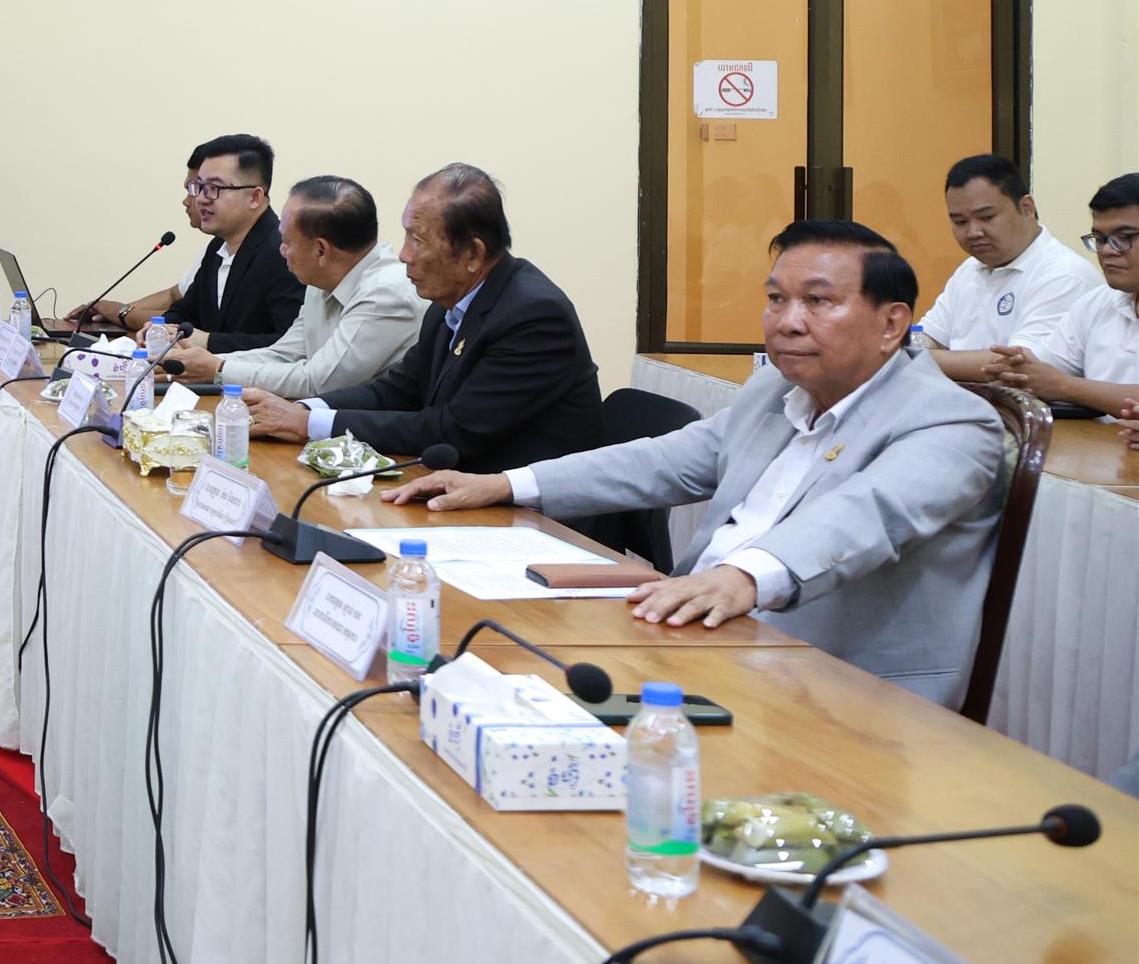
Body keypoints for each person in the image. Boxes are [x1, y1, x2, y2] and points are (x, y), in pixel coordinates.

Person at [388, 219, 1008, 708]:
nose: (788, 322)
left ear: (892, 324)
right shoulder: (775, 390)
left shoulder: (952, 421)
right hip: (699, 640)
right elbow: (669, 459)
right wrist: (506, 484)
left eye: (818, 302)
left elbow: (866, 514)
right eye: (776, 299)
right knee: (473, 673)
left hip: (836, 688)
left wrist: (742, 578)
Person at [241, 163, 604, 473]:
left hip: (533, 517)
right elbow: (394, 391)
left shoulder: (533, 317)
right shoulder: (448, 304)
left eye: (419, 241)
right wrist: (301, 409)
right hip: (457, 489)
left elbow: (452, 429)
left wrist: (309, 424)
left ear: (473, 253)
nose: (403, 255)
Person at [166, 176, 423, 398]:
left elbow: (317, 382)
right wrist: (196, 361)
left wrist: (218, 369)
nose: (281, 250)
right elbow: (286, 353)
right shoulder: (322, 280)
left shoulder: (385, 294)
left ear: (320, 250)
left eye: (287, 242)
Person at [65, 134, 303, 345]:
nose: (201, 199)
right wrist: (158, 329)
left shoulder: (282, 252)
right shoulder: (218, 247)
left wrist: (207, 342)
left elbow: (290, 345)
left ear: (254, 197)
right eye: (198, 187)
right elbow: (185, 312)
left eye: (213, 188)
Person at [915, 155, 1099, 387]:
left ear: (1027, 208)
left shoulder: (1065, 274)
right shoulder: (970, 269)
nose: (973, 232)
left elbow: (1015, 367)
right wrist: (905, 346)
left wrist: (911, 358)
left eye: (987, 217)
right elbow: (927, 335)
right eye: (960, 222)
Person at [983, 173, 1139, 423]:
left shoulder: (1066, 275)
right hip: (1096, 444)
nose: (1108, 250)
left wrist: (1065, 387)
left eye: (1125, 237)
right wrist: (1014, 372)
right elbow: (1042, 370)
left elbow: (1055, 382)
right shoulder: (1097, 303)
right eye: (1100, 239)